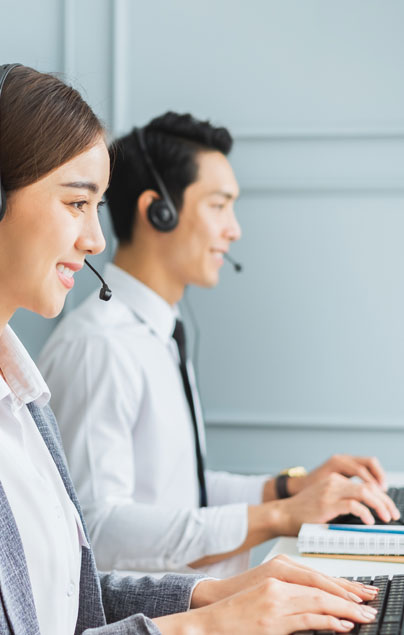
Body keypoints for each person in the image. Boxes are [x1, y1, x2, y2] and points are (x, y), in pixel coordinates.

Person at [0, 65, 379, 635]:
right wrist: (206, 627)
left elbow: (65, 599)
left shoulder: (17, 388)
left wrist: (213, 594)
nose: (96, 240)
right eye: (75, 204)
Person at [38, 111, 397, 579]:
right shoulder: (99, 348)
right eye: (219, 205)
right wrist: (278, 517)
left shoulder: (158, 333)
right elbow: (97, 531)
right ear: (158, 212)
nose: (234, 229)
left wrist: (288, 489)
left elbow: (175, 491)